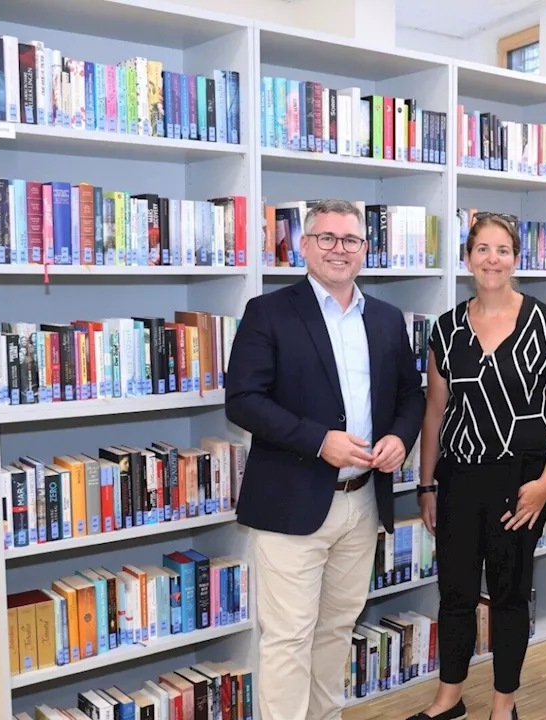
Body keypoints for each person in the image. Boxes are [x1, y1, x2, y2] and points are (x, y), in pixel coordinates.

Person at [224, 199, 426, 720]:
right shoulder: (268, 312)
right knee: (289, 637)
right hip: (293, 501)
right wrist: (319, 441)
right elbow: (243, 399)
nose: (340, 250)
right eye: (328, 239)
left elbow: (411, 396)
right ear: (304, 246)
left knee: (336, 630)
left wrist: (401, 440)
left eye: (351, 241)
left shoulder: (382, 318)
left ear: (365, 250)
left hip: (362, 503)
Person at [409, 213, 546, 720]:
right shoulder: (446, 330)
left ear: (516, 258)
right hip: (459, 478)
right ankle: (449, 698)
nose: (492, 259)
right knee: (455, 592)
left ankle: (503, 704)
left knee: (509, 593)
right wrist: (426, 485)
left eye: (502, 249)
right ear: (467, 258)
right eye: (482, 249)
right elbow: (436, 413)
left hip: (522, 481)